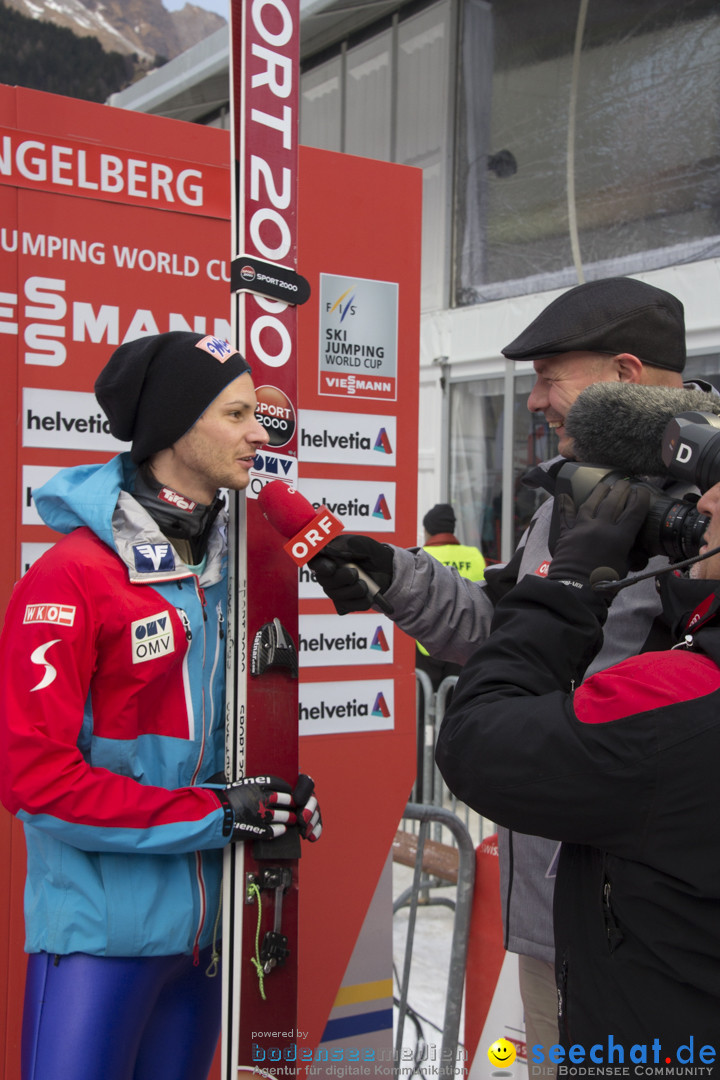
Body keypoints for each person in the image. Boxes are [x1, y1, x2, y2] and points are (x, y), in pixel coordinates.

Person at [309, 276, 710, 1068]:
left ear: (625, 375)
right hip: (553, 909)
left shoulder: (707, 503)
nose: (532, 401)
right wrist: (396, 575)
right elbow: (516, 631)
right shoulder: (578, 493)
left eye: (548, 374)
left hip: (661, 925)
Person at [0, 331, 322, 1080]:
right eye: (237, 414)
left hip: (207, 941)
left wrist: (271, 801)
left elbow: (216, 760)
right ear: (175, 427)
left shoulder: (227, 571)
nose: (258, 433)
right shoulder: (71, 578)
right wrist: (217, 814)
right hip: (101, 942)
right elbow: (38, 784)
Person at [435, 472, 720, 1055]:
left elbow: (477, 740)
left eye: (716, 511)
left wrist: (565, 587)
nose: (703, 508)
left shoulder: (683, 693)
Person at [415, 502, 486, 690]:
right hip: (464, 644)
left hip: (426, 644)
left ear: (428, 530)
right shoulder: (474, 555)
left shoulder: (421, 556)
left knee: (423, 706)